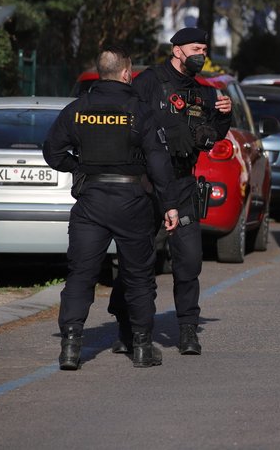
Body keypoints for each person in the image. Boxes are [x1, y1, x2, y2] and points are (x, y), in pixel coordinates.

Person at [44, 46, 181, 370]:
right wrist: (170, 206)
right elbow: (159, 162)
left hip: (91, 202)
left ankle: (71, 347)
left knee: (81, 275)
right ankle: (143, 348)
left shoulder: (77, 109)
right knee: (138, 276)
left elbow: (52, 151)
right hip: (132, 203)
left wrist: (79, 165)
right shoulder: (140, 111)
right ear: (125, 73)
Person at [112, 27, 232, 356]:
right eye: (196, 48)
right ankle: (127, 327)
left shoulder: (204, 92)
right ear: (177, 50)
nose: (201, 54)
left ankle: (188, 330)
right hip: (146, 185)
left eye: (205, 49)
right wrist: (164, 131)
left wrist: (224, 114)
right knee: (137, 261)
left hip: (181, 185)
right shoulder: (149, 82)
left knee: (189, 260)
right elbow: (126, 121)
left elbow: (215, 135)